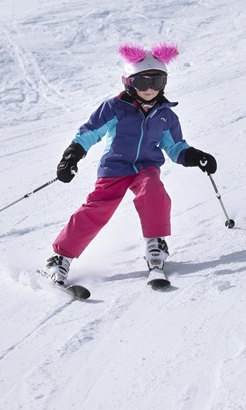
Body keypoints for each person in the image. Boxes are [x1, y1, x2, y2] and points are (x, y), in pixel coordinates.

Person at [44, 42, 217, 285]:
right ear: (128, 82)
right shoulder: (115, 108)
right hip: (115, 167)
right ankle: (60, 258)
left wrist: (194, 156)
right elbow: (91, 132)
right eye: (142, 82)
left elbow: (175, 147)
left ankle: (155, 245)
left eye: (156, 82)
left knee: (153, 190)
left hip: (146, 166)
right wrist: (72, 155)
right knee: (97, 208)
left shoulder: (166, 115)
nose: (149, 89)